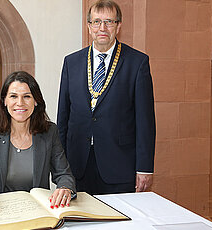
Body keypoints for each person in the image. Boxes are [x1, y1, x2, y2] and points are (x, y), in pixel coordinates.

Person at [57, 0, 155, 195]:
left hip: (119, 165)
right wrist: (60, 166)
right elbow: (63, 118)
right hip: (77, 165)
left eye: (109, 22)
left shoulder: (137, 63)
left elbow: (145, 121)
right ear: (89, 26)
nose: (102, 28)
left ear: (118, 26)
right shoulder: (72, 62)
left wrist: (144, 168)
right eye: (96, 22)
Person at [0, 71, 76, 227]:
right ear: (4, 101)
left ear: (36, 101)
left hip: (37, 217)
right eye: (13, 96)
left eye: (27, 96)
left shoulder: (50, 132)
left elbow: (64, 174)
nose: (20, 103)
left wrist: (65, 188)